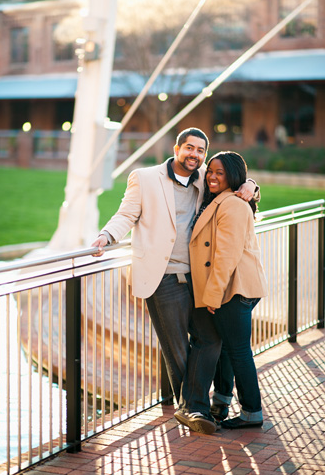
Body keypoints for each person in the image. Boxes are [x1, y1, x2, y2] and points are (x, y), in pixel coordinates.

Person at [90, 128, 257, 409]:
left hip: (198, 275)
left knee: (211, 339)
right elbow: (126, 214)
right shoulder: (144, 178)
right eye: (190, 148)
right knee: (178, 349)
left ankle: (194, 405)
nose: (195, 155)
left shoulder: (206, 177)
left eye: (200, 150)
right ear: (177, 148)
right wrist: (106, 236)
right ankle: (194, 408)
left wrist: (251, 184)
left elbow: (233, 176)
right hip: (163, 276)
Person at [176, 151, 268, 434]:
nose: (213, 177)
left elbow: (226, 256)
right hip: (235, 287)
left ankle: (252, 411)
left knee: (239, 351)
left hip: (234, 288)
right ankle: (223, 400)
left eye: (220, 173)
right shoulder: (221, 200)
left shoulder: (233, 205)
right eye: (211, 171)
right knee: (228, 349)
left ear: (232, 177)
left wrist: (212, 296)